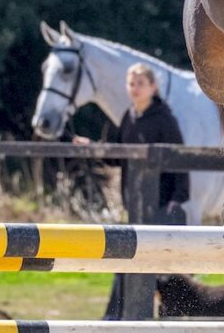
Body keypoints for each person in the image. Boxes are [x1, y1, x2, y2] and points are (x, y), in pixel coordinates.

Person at [74, 62, 189, 318]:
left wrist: (178, 199)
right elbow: (117, 157)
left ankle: (120, 317)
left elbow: (180, 160)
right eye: (131, 83)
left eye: (140, 83)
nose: (135, 88)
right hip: (135, 204)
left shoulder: (164, 119)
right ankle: (123, 316)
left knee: (152, 264)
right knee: (131, 259)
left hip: (162, 203)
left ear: (153, 87)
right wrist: (93, 148)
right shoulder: (129, 117)